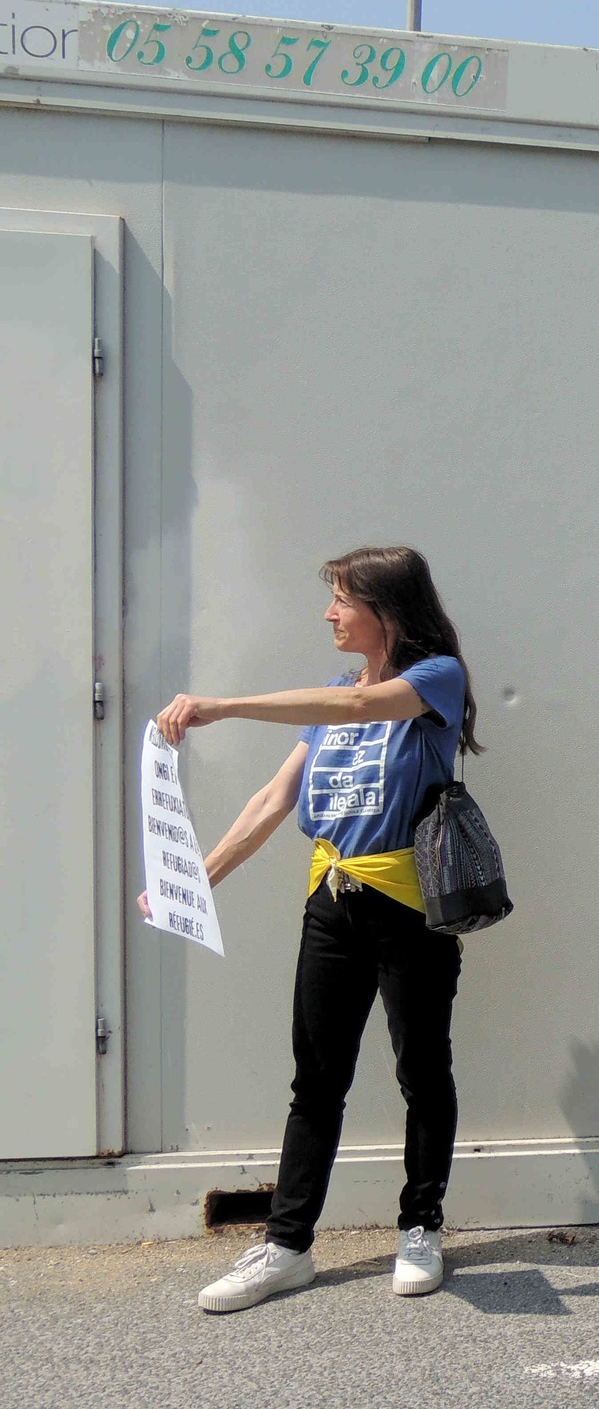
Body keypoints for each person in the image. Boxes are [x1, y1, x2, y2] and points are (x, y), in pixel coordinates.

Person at [144, 547, 482, 1313]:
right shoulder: (334, 691)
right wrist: (191, 879)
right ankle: (287, 1245)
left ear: (386, 611)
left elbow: (364, 710)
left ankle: (421, 1226)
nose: (329, 613)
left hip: (408, 903)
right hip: (332, 903)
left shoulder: (435, 680)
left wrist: (223, 706)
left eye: (341, 599)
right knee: (316, 1079)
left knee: (422, 1072)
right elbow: (273, 798)